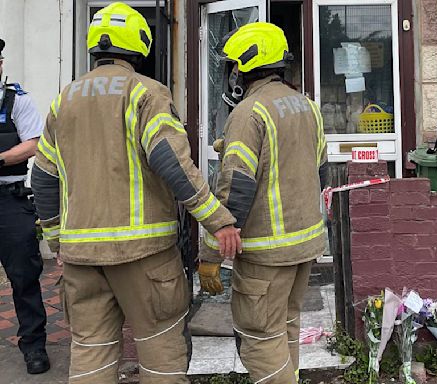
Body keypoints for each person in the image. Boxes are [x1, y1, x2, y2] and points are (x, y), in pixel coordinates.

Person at [31, 3, 240, 383]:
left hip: (81, 260)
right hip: (144, 257)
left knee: (90, 356)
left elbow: (43, 177)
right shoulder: (146, 93)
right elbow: (172, 163)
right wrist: (218, 220)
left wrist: (58, 240)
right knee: (162, 354)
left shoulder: (65, 100)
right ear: (140, 46)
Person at [198, 22, 328, 384]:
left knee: (259, 340)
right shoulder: (307, 106)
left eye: (231, 66)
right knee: (286, 330)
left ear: (243, 68)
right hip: (304, 248)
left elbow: (235, 190)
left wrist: (211, 253)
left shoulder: (248, 114)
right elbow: (320, 171)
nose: (229, 74)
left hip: (265, 256)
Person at [0, 38, 50, 374]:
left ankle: (33, 346)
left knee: (24, 277)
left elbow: (33, 144)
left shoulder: (17, 100)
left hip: (9, 200)